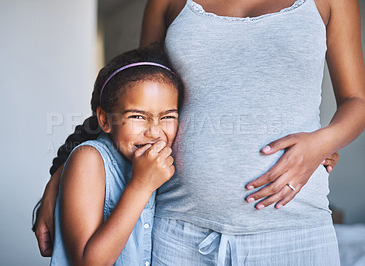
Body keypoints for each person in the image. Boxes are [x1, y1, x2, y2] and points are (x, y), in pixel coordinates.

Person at [33, 0, 364, 264]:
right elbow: (133, 88)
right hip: (178, 233)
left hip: (294, 230)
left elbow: (357, 101)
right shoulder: (168, 1)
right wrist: (64, 167)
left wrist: (323, 141)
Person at [48, 44, 184, 265]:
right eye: (137, 117)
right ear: (104, 120)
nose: (155, 132)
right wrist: (141, 186)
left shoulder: (159, 164)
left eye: (167, 117)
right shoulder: (89, 159)